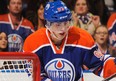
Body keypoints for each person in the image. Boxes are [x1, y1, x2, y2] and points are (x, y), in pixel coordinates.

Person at [23, 0, 116, 81]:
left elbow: (100, 65)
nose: (63, 29)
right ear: (47, 24)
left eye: (65, 23)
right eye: (58, 24)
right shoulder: (33, 42)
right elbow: (34, 74)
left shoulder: (81, 37)